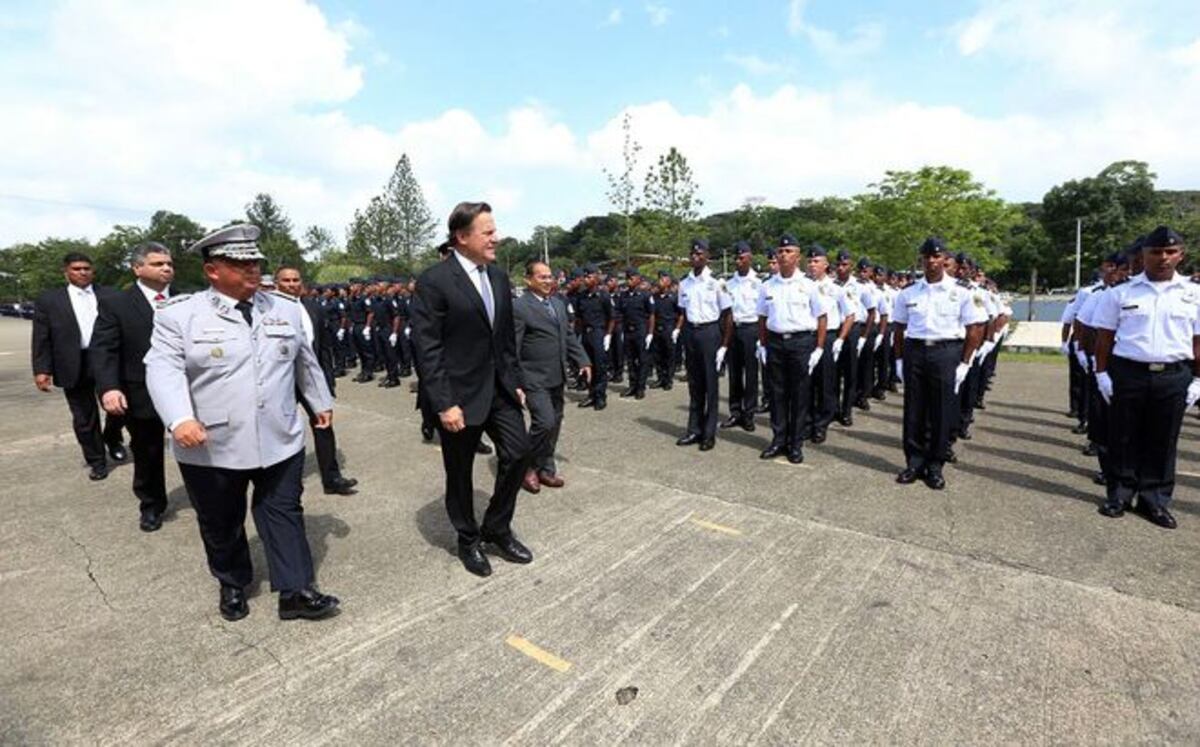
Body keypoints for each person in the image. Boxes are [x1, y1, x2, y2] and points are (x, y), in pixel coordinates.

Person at [145, 225, 339, 622]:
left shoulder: (284, 308)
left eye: (255, 262)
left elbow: (304, 360)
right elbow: (162, 369)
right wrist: (180, 418)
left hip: (279, 436)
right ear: (212, 270)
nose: (252, 270)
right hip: (212, 442)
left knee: (284, 510)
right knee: (222, 520)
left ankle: (295, 591)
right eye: (240, 264)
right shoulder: (180, 315)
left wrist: (320, 401)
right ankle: (232, 582)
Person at [410, 202, 533, 578]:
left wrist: (515, 381)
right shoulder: (434, 281)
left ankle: (496, 527)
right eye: (488, 232)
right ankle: (468, 538)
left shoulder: (497, 277)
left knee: (519, 453)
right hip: (458, 396)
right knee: (460, 472)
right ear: (462, 237)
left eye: (495, 230)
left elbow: (505, 338)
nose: (496, 238)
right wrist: (444, 403)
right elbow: (427, 348)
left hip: (499, 389)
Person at [1092, 226, 1200, 529]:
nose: (1163, 257)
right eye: (1156, 252)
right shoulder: (1120, 292)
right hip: (1129, 372)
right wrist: (1101, 374)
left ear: (1180, 255)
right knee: (1123, 436)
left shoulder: (1194, 294)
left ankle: (1154, 500)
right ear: (1144, 254)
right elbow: (1104, 337)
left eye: (1170, 252)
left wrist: (1198, 380)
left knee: (1163, 439)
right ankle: (1119, 495)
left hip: (1174, 374)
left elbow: (1198, 342)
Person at [891, 237, 987, 490]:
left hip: (946, 352)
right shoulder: (908, 292)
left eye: (936, 257)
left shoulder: (961, 291)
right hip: (915, 351)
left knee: (942, 410)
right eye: (926, 257)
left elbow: (974, 329)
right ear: (921, 260)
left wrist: (965, 362)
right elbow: (898, 328)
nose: (931, 261)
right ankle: (914, 462)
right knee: (914, 410)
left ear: (945, 259)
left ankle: (935, 465)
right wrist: (899, 359)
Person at [91, 242, 174, 531]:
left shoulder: (187, 299)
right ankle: (151, 504)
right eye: (158, 263)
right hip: (140, 390)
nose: (166, 268)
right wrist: (109, 388)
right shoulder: (117, 304)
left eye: (169, 263)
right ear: (137, 268)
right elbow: (104, 349)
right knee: (148, 451)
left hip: (187, 389)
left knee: (198, 447)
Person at [31, 252, 127, 481]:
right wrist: (41, 369)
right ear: (66, 272)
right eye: (76, 269)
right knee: (84, 418)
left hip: (108, 359)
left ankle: (112, 437)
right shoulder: (50, 300)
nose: (83, 272)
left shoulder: (112, 295)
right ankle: (97, 460)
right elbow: (41, 336)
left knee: (120, 408)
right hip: (72, 363)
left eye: (86, 268)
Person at [275, 266, 359, 496]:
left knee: (323, 426)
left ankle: (332, 478)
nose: (292, 284)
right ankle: (280, 482)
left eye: (296, 280)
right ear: (277, 283)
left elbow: (323, 347)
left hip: (311, 378)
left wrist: (327, 378)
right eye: (286, 280)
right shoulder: (269, 310)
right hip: (283, 380)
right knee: (281, 429)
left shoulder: (313, 307)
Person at [514, 260, 592, 493]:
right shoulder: (519, 307)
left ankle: (546, 468)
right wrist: (515, 382)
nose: (548, 281)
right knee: (544, 422)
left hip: (557, 375)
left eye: (550, 277)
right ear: (528, 280)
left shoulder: (557, 303)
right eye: (542, 277)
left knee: (555, 424)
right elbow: (512, 348)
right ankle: (526, 467)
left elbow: (568, 336)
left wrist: (583, 360)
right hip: (533, 377)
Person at [757, 235, 829, 463]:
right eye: (780, 251)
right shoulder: (767, 286)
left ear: (798, 257)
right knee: (777, 393)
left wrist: (819, 348)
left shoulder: (809, 286)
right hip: (775, 342)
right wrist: (763, 345)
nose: (783, 255)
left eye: (788, 251)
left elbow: (822, 317)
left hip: (801, 343)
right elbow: (762, 317)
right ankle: (778, 439)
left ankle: (795, 444)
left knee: (799, 394)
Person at [675, 239, 733, 451]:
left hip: (710, 332)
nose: (695, 257)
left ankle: (709, 433)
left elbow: (727, 314)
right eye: (692, 254)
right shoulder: (684, 283)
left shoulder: (717, 281)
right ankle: (694, 430)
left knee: (710, 384)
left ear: (707, 256)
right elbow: (683, 311)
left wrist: (724, 345)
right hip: (691, 331)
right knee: (695, 384)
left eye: (699, 254)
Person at [805, 243, 855, 443]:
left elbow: (850, 315)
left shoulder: (836, 289)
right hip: (808, 336)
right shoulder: (803, 286)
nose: (812, 265)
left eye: (816, 261)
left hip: (828, 337)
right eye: (809, 261)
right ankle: (807, 421)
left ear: (825, 265)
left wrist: (841, 339)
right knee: (807, 382)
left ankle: (821, 423)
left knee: (826, 381)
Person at [721, 241, 762, 432]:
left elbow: (763, 313)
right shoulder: (729, 284)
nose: (738, 261)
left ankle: (749, 414)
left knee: (751, 374)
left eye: (741, 257)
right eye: (735, 258)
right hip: (733, 330)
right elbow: (726, 312)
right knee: (734, 373)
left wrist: (762, 339)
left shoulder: (759, 284)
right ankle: (735, 412)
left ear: (749, 258)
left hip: (751, 330)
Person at [574, 265, 613, 410]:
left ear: (596, 278)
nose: (586, 279)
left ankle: (600, 397)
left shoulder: (604, 296)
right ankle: (591, 394)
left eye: (589, 277)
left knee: (600, 366)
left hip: (598, 333)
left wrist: (608, 335)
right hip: (586, 334)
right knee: (588, 366)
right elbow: (578, 318)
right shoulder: (581, 296)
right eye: (585, 277)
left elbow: (611, 318)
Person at [649, 270, 680, 390]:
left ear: (668, 282)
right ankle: (660, 378)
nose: (660, 282)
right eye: (659, 279)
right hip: (657, 329)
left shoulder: (673, 297)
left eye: (663, 279)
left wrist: (677, 329)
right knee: (658, 355)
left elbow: (681, 315)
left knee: (669, 355)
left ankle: (668, 379)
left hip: (669, 328)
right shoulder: (654, 297)